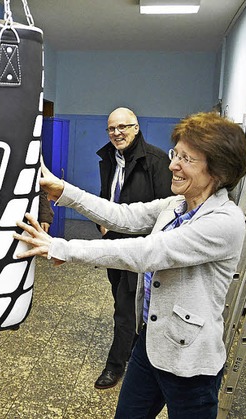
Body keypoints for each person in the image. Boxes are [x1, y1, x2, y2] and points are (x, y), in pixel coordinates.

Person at [14, 112, 246, 418]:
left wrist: (65, 248)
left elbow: (147, 252)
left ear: (218, 170)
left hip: (189, 361)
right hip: (150, 344)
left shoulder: (224, 222)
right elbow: (122, 216)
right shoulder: (176, 205)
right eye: (175, 154)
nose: (173, 166)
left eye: (187, 159)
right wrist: (64, 191)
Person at [93, 107, 173, 389]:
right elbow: (106, 198)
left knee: (125, 308)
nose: (117, 133)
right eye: (112, 129)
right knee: (121, 299)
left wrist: (152, 246)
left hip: (140, 248)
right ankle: (138, 348)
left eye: (123, 127)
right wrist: (102, 225)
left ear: (136, 128)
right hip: (114, 244)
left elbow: (168, 208)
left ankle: (115, 366)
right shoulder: (108, 158)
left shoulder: (156, 160)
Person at [0, 189, 54, 347]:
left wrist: (44, 215)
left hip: (20, 220)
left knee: (17, 267)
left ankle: (13, 313)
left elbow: (40, 184)